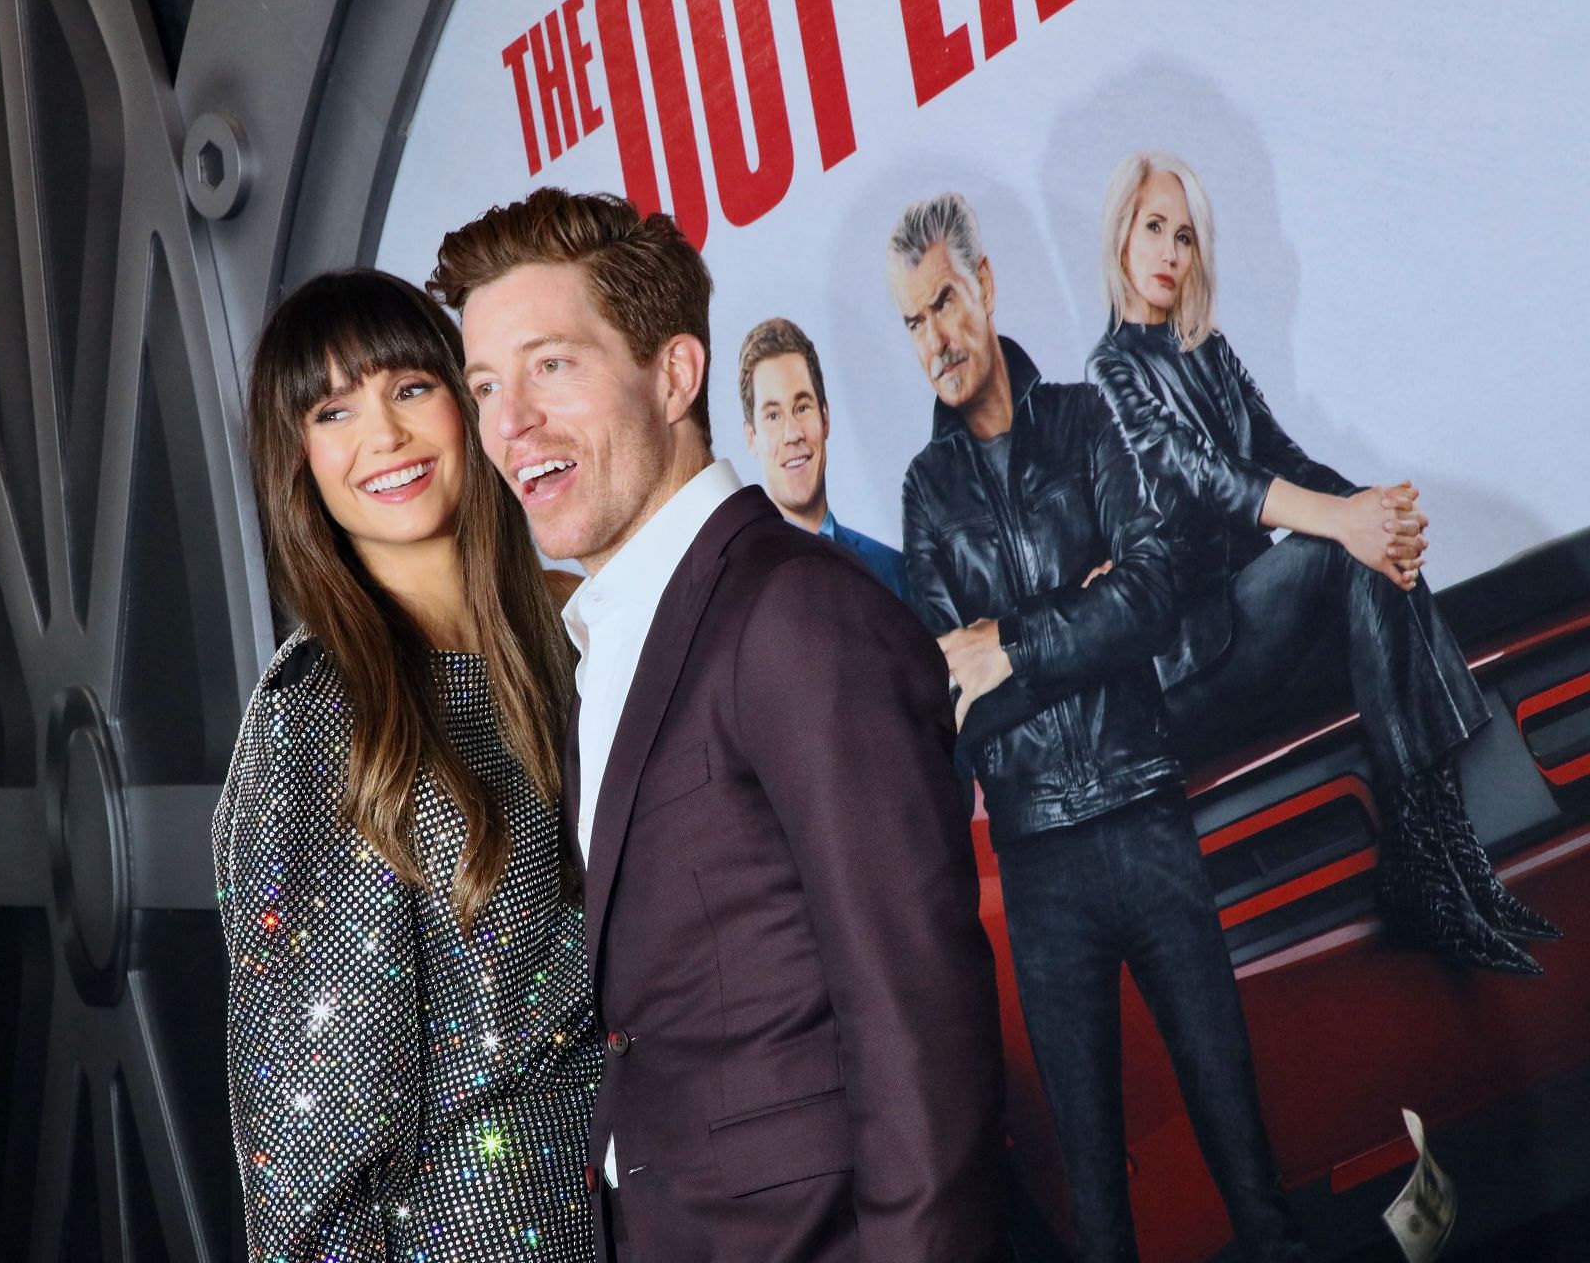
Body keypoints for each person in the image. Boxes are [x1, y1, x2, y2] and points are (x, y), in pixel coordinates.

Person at [431, 188, 1007, 1263]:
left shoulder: (795, 613)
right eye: (486, 385)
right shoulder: (600, 647)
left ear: (677, 373)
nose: (509, 424)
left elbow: (920, 1031)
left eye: (553, 365)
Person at [893, 190, 1306, 1263]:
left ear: (984, 287)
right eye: (912, 321)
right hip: (1041, 872)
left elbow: (1156, 594)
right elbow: (952, 697)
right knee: (1096, 1196)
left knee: (1246, 1152)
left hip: (1148, 818)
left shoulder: (1087, 418)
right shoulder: (926, 490)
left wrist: (1015, 646)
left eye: (944, 302)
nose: (935, 338)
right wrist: (1086, 615)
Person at [1085, 150, 1557, 973]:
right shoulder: (1108, 375)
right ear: (1122, 235)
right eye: (1154, 228)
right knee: (1339, 549)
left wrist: (1379, 512)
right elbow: (1209, 479)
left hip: (1253, 629)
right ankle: (1423, 867)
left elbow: (1286, 459)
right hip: (1194, 661)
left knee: (1370, 547)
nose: (1169, 251)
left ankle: (1450, 862)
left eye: (1186, 237)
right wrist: (1346, 523)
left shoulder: (1211, 352)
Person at [211, 268, 601, 1260]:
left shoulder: (572, 641)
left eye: (409, 386)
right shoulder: (326, 717)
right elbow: (310, 1149)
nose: (383, 434)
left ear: (466, 404)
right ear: (298, 461)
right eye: (334, 410)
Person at [736, 316, 908, 600]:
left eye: (802, 408)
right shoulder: (738, 590)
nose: (792, 433)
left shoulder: (893, 574)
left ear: (825, 417)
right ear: (751, 437)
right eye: (773, 416)